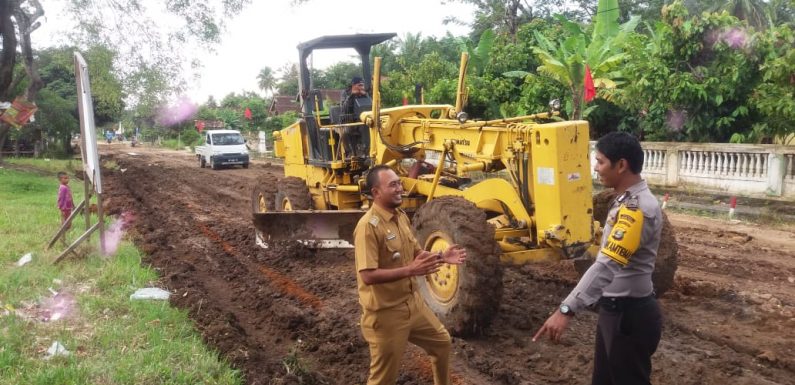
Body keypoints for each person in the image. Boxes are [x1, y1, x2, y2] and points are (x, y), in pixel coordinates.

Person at [533, 132, 664, 385]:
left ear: (622, 165)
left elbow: (606, 265)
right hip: (616, 312)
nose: (595, 167)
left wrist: (566, 309)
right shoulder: (626, 201)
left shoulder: (636, 210)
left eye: (601, 161)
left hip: (629, 318)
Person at [354, 165, 466, 385]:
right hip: (386, 315)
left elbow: (415, 253)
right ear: (376, 192)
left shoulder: (401, 216)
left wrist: (441, 256)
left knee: (442, 342)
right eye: (393, 185)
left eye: (399, 183)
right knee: (383, 379)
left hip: (412, 305)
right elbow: (367, 275)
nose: (400, 188)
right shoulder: (368, 227)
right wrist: (410, 271)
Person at [340, 76, 369, 157]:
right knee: (346, 131)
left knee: (369, 125)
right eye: (359, 85)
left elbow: (371, 105)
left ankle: (367, 150)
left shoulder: (364, 93)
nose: (361, 87)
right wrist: (352, 95)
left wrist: (365, 95)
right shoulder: (345, 93)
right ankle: (351, 153)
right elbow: (344, 109)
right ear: (353, 85)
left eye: (362, 85)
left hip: (361, 118)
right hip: (348, 120)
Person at [56, 171, 75, 244]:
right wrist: (61, 208)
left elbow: (70, 197)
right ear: (60, 179)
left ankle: (63, 234)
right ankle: (62, 236)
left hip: (69, 208)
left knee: (69, 224)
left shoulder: (67, 187)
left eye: (68, 178)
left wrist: (73, 205)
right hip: (64, 208)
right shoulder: (62, 188)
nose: (67, 180)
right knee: (64, 223)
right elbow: (60, 198)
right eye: (65, 178)